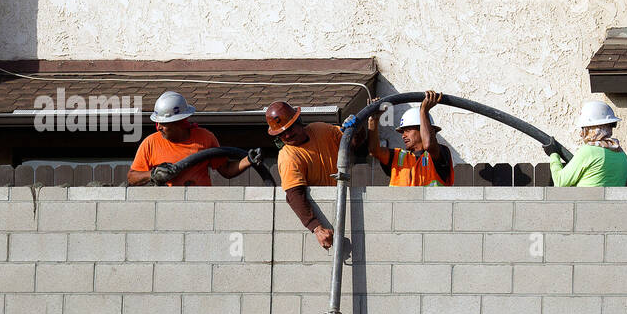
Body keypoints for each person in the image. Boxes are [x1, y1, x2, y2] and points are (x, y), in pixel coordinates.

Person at [264, 100, 363, 251]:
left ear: (299, 120)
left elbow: (354, 144)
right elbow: (294, 195)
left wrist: (356, 130)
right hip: (321, 220)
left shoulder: (320, 130)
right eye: (282, 133)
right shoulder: (288, 156)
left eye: (290, 128)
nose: (288, 134)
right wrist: (317, 228)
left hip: (342, 203)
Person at [128, 91, 257, 187]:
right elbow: (132, 177)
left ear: (178, 122)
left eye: (163, 123)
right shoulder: (151, 143)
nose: (158, 127)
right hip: (167, 208)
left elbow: (226, 170)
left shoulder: (204, 138)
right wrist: (152, 174)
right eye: (157, 123)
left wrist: (248, 160)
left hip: (200, 205)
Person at [368, 90, 455, 187]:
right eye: (403, 131)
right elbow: (374, 151)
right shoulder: (397, 157)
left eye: (408, 130)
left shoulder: (440, 154)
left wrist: (423, 111)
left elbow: (428, 145)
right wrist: (373, 121)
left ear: (422, 130)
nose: (403, 135)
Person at [545, 100, 627, 187]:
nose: (581, 134)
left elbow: (559, 182)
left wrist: (553, 154)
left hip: (585, 200)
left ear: (592, 128)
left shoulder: (589, 151)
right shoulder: (622, 155)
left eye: (584, 128)